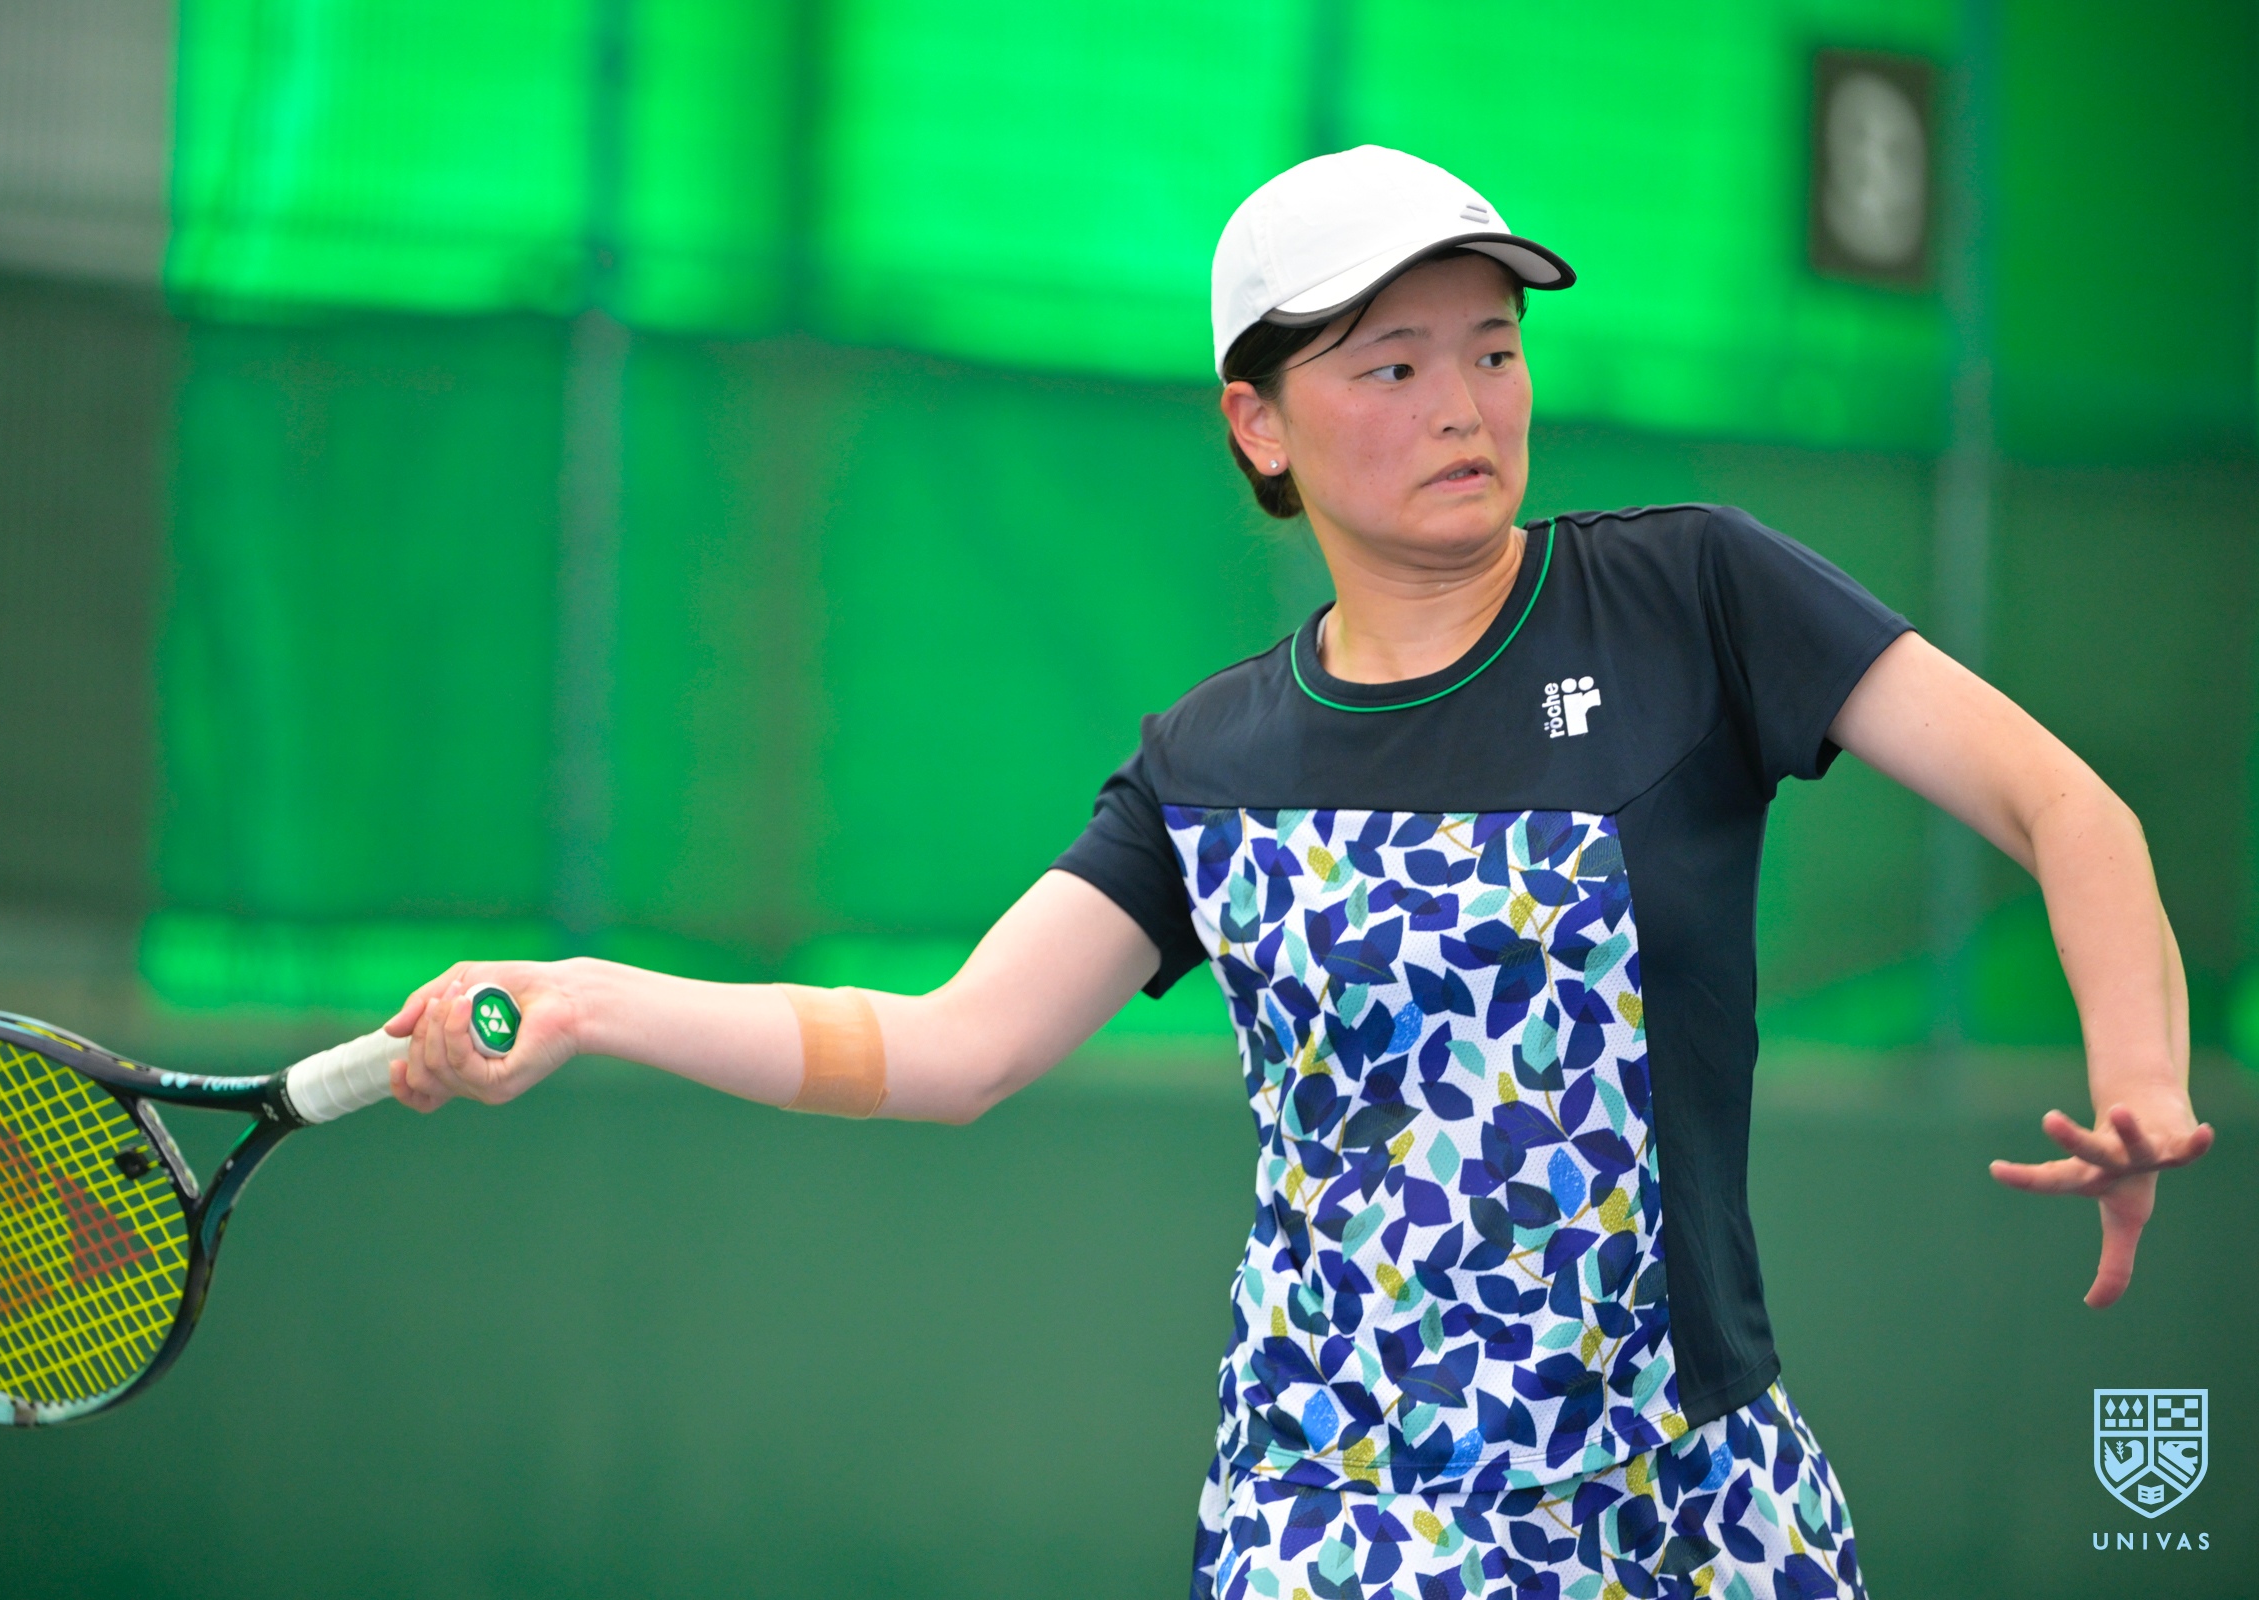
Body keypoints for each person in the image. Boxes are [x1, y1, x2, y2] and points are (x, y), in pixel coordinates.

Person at [385, 146, 2214, 1599]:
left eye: (1492, 349)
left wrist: (2139, 1077)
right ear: (1260, 423)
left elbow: (2069, 810)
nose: (1464, 401)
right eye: (1391, 364)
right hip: (1338, 1521)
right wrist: (591, 1002)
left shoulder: (1695, 599)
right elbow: (950, 1048)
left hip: (1693, 1500)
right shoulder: (1210, 766)